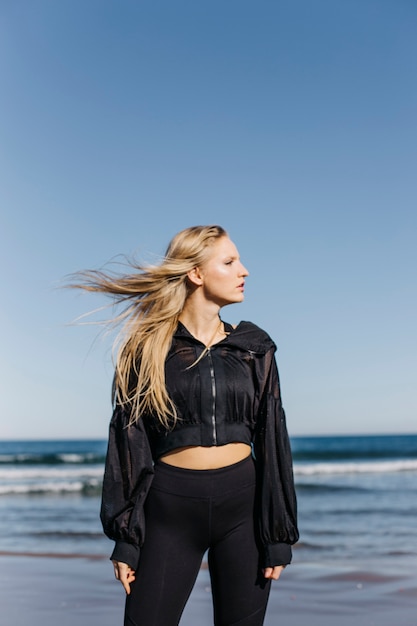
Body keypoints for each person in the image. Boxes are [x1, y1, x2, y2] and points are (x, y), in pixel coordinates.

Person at [71, 225, 298, 626]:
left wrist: (277, 532)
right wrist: (126, 538)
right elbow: (129, 440)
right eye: (229, 262)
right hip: (169, 511)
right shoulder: (148, 347)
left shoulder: (253, 347)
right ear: (196, 273)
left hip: (242, 509)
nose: (244, 270)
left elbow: (273, 436)